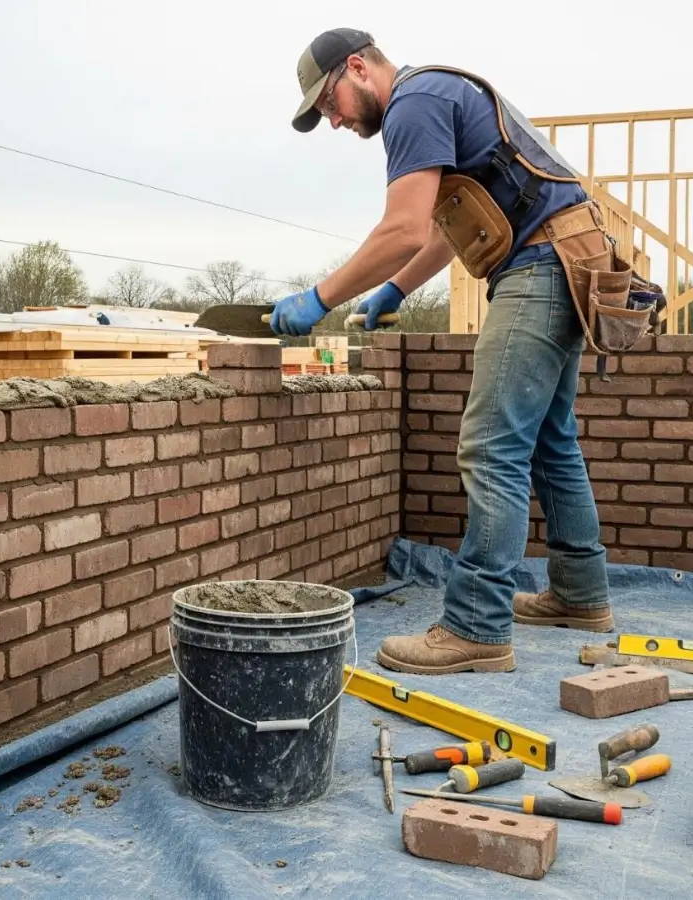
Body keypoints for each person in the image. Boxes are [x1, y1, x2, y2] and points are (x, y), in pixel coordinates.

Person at [273, 28, 648, 676]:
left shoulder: (412, 104)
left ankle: (476, 625)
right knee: (553, 440)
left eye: (328, 102)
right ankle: (581, 596)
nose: (332, 121)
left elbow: (402, 227)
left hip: (540, 267)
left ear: (358, 68)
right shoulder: (440, 94)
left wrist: (319, 298)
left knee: (491, 445)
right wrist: (394, 288)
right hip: (569, 259)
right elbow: (449, 230)